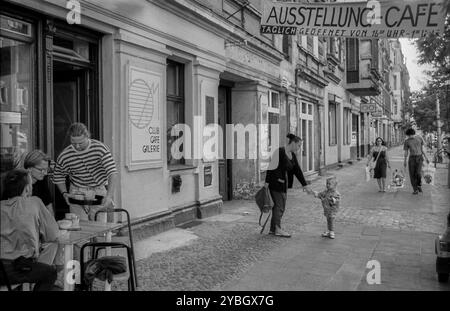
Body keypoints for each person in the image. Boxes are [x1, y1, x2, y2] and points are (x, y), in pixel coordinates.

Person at [0, 169, 60, 291]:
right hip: (17, 268)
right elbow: (53, 234)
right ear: (27, 188)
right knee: (50, 273)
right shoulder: (34, 202)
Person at [53, 123, 118, 220]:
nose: (77, 146)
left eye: (81, 143)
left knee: (99, 227)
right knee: (80, 227)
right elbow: (58, 176)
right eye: (74, 143)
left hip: (98, 190)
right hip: (77, 191)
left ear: (87, 137)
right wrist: (64, 193)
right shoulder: (65, 155)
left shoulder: (100, 149)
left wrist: (109, 196)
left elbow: (112, 172)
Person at [264, 133, 311, 238]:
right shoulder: (280, 152)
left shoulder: (292, 155)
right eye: (299, 145)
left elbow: (297, 170)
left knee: (279, 206)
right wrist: (266, 184)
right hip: (275, 184)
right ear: (293, 143)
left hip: (284, 185)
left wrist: (305, 185)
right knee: (279, 207)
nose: (299, 148)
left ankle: (273, 229)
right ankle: (277, 229)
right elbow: (270, 168)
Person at [18, 150, 54, 216]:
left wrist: (52, 223)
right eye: (41, 170)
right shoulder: (18, 183)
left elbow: (48, 206)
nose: (45, 173)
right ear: (29, 168)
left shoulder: (42, 180)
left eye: (46, 169)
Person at [403, 128, 429, 194]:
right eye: (408, 135)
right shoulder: (407, 141)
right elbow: (406, 152)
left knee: (418, 173)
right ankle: (415, 189)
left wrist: (426, 157)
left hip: (419, 157)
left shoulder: (419, 138)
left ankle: (419, 184)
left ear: (413, 134)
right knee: (412, 174)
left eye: (410, 135)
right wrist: (405, 161)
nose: (409, 136)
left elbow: (422, 149)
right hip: (411, 158)